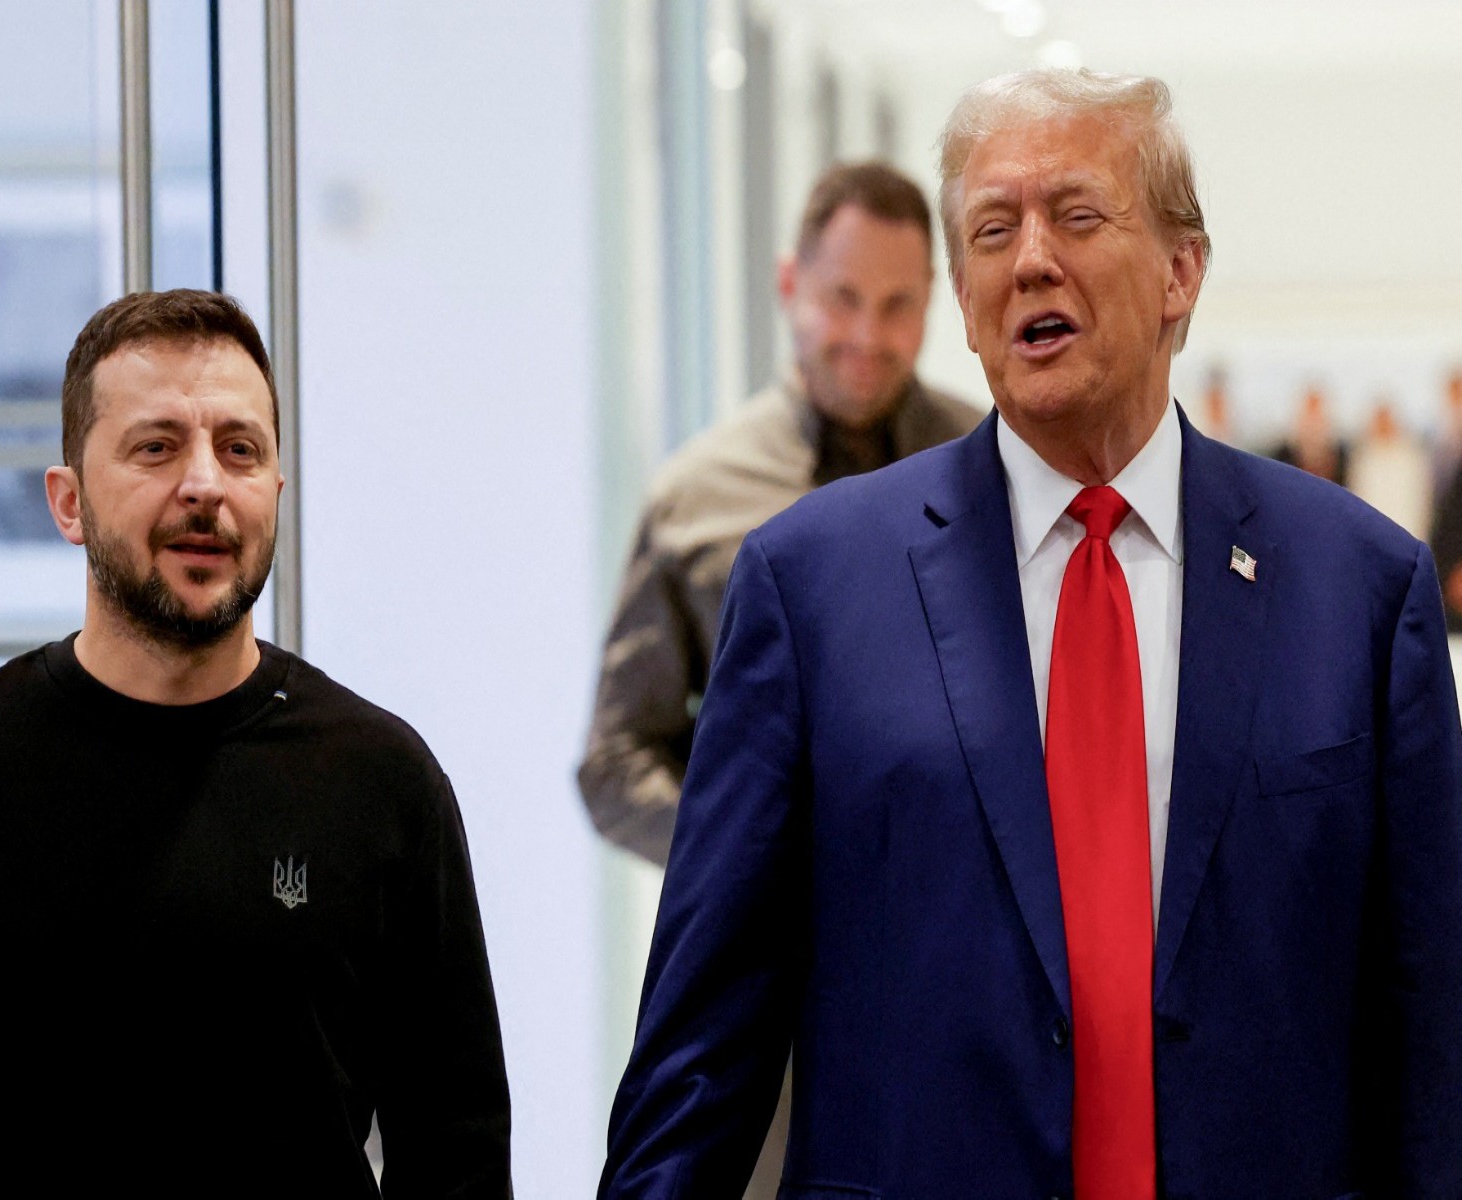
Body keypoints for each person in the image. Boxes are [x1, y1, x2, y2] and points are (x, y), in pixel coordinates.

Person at [599, 69, 1462, 1198]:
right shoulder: (809, 586)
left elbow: (1429, 1028)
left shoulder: (1359, 589)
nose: (1031, 259)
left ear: (1179, 271)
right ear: (962, 297)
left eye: (1077, 214)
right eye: (992, 230)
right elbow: (700, 1051)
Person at [0, 290, 512, 1198]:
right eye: (157, 447)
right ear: (69, 500)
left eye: (240, 450)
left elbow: (456, 1155)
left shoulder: (382, 785)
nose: (205, 484)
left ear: (275, 491)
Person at [579, 161, 982, 866]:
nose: (867, 333)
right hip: (776, 963)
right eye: (843, 297)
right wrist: (748, 865)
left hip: (973, 940)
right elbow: (616, 760)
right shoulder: (694, 496)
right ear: (790, 283)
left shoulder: (998, 470)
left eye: (898, 305)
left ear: (931, 305)